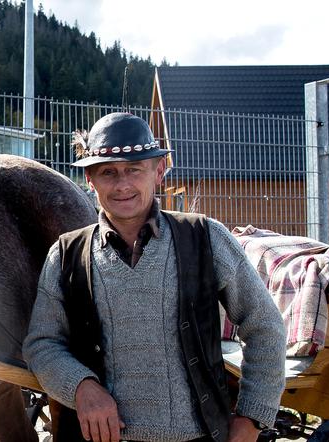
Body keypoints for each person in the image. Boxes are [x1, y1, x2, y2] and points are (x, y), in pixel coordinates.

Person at [23, 112, 286, 442]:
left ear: (159, 171)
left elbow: (264, 325)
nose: (122, 184)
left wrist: (251, 419)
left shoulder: (206, 238)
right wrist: (82, 386)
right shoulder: (66, 255)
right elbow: (41, 344)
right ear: (90, 179)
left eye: (134, 169)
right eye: (108, 172)